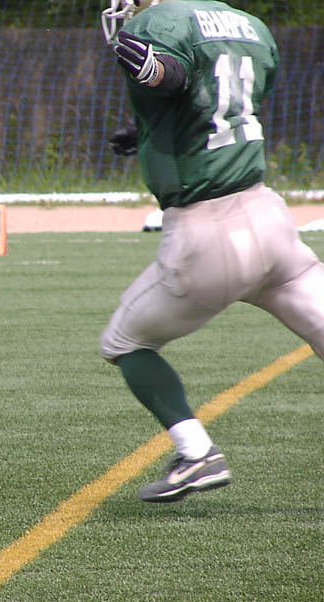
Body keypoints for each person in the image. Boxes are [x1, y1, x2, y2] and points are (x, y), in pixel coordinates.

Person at [100, 0, 324, 502]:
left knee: (124, 342)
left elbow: (174, 76)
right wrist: (151, 130)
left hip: (206, 232)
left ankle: (196, 452)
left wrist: (155, 69)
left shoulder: (160, 21)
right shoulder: (251, 25)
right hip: (270, 219)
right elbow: (224, 104)